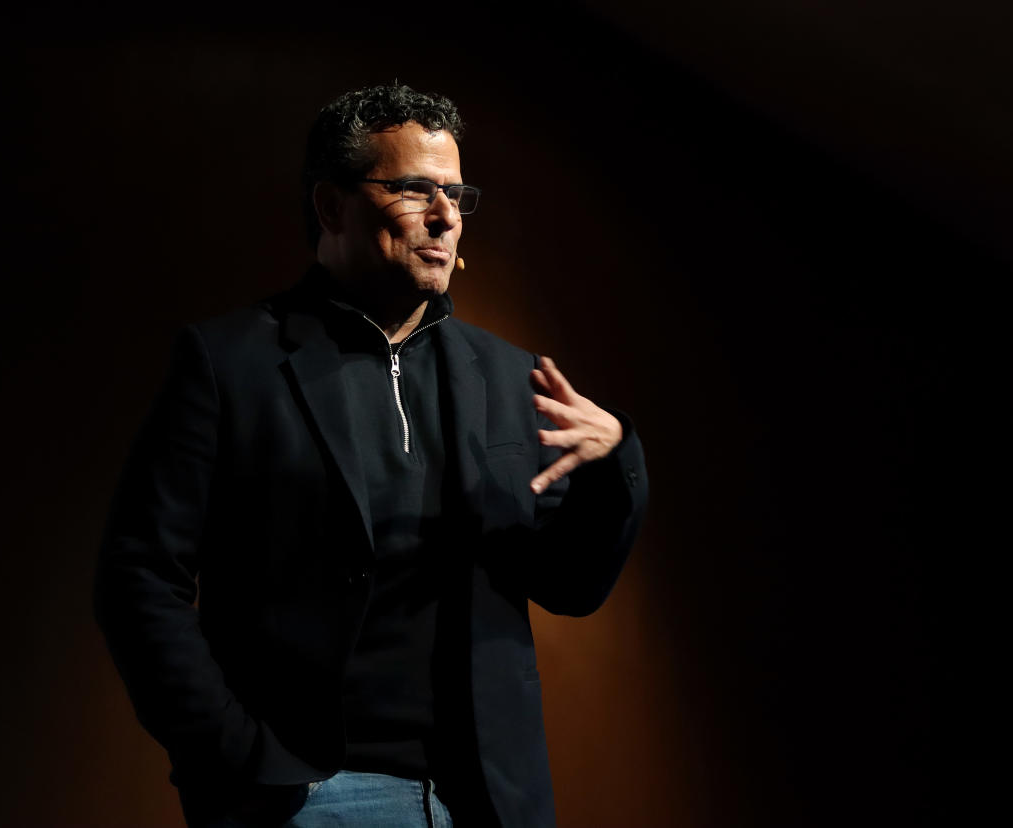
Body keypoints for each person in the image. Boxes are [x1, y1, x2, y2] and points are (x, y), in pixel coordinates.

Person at [94, 82, 648, 828]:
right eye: (415, 189)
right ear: (331, 207)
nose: (446, 216)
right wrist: (234, 755)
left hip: (482, 798)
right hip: (305, 796)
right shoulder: (230, 364)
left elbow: (568, 584)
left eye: (455, 194)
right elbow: (139, 577)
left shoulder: (510, 376)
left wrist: (614, 465)